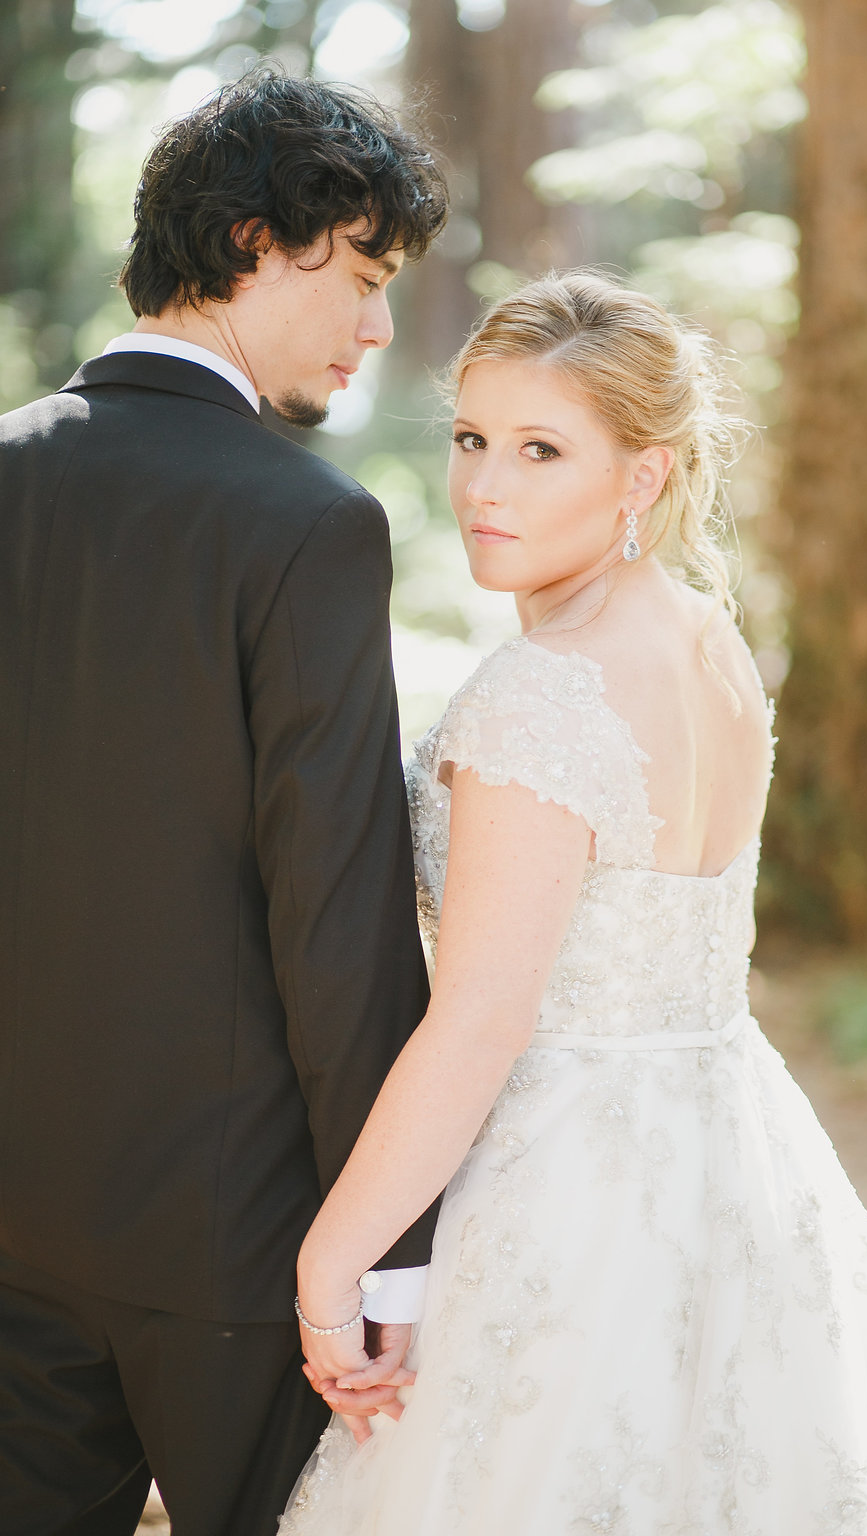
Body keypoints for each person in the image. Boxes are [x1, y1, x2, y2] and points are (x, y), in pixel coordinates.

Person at [278, 271, 867, 1533]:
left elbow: (479, 1023)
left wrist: (328, 1262)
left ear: (643, 477)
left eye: (539, 450)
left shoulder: (541, 691)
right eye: (471, 440)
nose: (485, 488)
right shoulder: (707, 644)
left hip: (563, 1188)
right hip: (728, 1142)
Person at [0, 69, 447, 1535]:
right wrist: (389, 1258)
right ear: (257, 243)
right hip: (234, 1246)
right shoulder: (306, 522)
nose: (377, 326)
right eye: (364, 276)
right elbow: (341, 923)